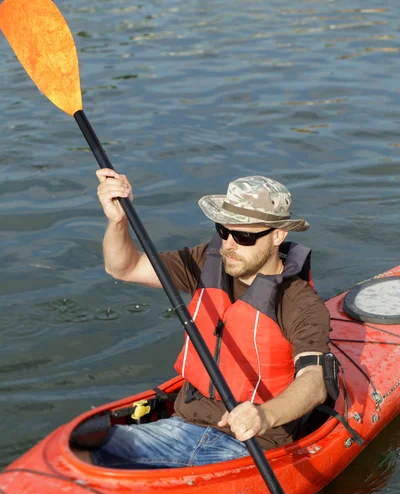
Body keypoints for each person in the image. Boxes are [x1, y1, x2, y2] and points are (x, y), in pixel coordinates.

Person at [76, 171, 330, 468]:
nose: (230, 246)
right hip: (182, 427)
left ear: (278, 235)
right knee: (80, 451)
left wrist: (265, 415)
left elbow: (315, 381)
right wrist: (118, 221)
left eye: (245, 236)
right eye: (223, 231)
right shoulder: (206, 263)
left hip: (252, 448)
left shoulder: (301, 305)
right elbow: (124, 268)